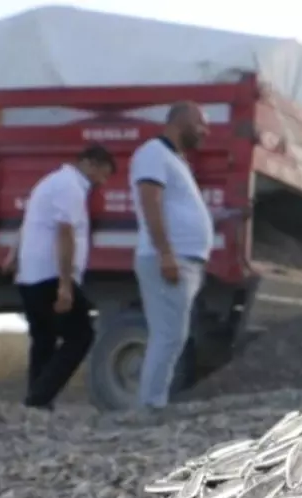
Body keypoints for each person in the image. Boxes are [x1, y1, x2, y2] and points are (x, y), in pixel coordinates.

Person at [2, 144, 116, 410]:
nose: (102, 182)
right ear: (90, 164)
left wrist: (14, 254)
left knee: (44, 339)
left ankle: (36, 404)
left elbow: (29, 222)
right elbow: (65, 233)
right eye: (103, 174)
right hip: (50, 275)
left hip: (30, 274)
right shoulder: (71, 188)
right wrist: (66, 285)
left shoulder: (51, 182)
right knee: (81, 336)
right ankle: (39, 397)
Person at [130, 100, 214, 410]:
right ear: (180, 122)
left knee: (172, 336)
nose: (205, 132)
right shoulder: (153, 153)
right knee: (168, 336)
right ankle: (151, 406)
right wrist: (166, 254)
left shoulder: (176, 160)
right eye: (201, 124)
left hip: (185, 260)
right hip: (169, 258)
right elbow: (150, 202)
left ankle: (153, 403)